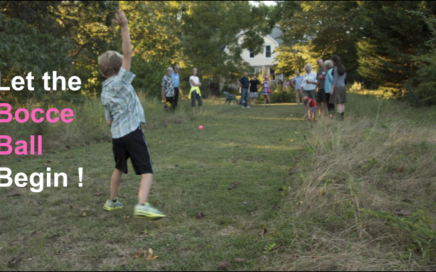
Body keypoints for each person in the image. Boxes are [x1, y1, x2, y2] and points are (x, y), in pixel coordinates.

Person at [99, 10, 165, 220]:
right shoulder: (121, 81)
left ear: (102, 73)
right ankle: (142, 204)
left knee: (119, 167)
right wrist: (124, 27)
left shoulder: (104, 91)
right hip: (131, 133)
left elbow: (108, 120)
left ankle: (112, 201)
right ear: (120, 69)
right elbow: (128, 54)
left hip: (117, 136)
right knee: (147, 170)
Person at [330, 55, 347, 120]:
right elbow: (345, 77)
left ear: (333, 61)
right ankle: (342, 117)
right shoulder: (343, 67)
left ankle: (339, 117)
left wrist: (332, 89)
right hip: (343, 86)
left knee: (337, 103)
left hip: (337, 86)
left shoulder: (335, 68)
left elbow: (335, 79)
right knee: (342, 103)